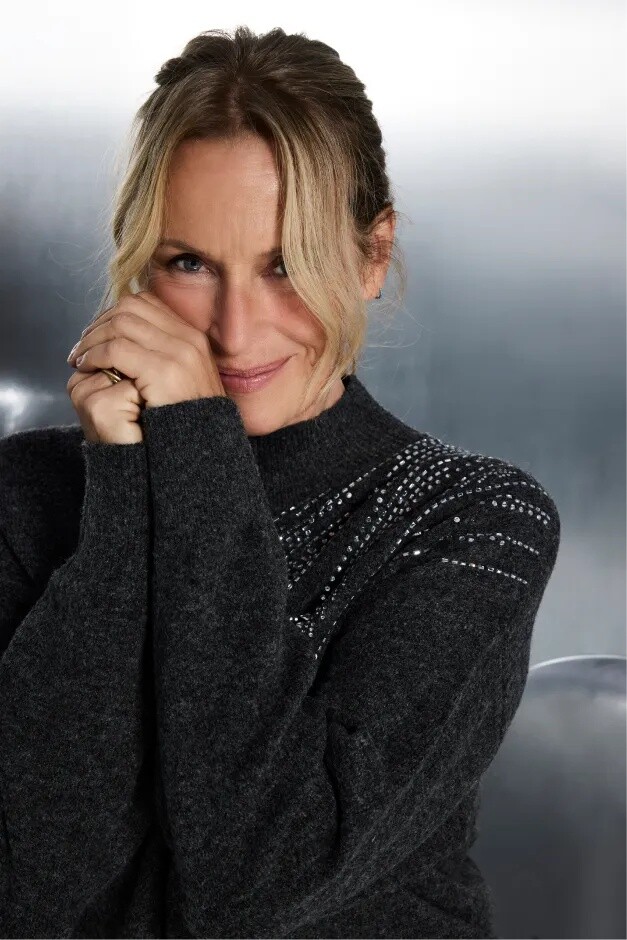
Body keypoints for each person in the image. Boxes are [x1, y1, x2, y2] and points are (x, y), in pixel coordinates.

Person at [0, 25, 561, 939]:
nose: (234, 331)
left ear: (371, 256)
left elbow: (259, 878)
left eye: (286, 265)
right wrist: (123, 497)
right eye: (189, 263)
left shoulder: (473, 519)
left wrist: (193, 450)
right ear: (141, 263)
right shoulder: (30, 492)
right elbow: (27, 886)